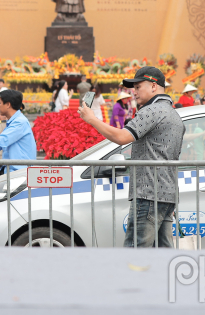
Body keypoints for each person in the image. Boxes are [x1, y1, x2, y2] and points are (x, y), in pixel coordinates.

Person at [78, 66, 185, 248]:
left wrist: (92, 119)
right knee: (163, 254)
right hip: (167, 195)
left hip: (148, 193)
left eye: (138, 87)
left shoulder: (152, 111)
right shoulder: (173, 114)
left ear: (153, 86)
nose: (134, 92)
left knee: (134, 253)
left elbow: (121, 137)